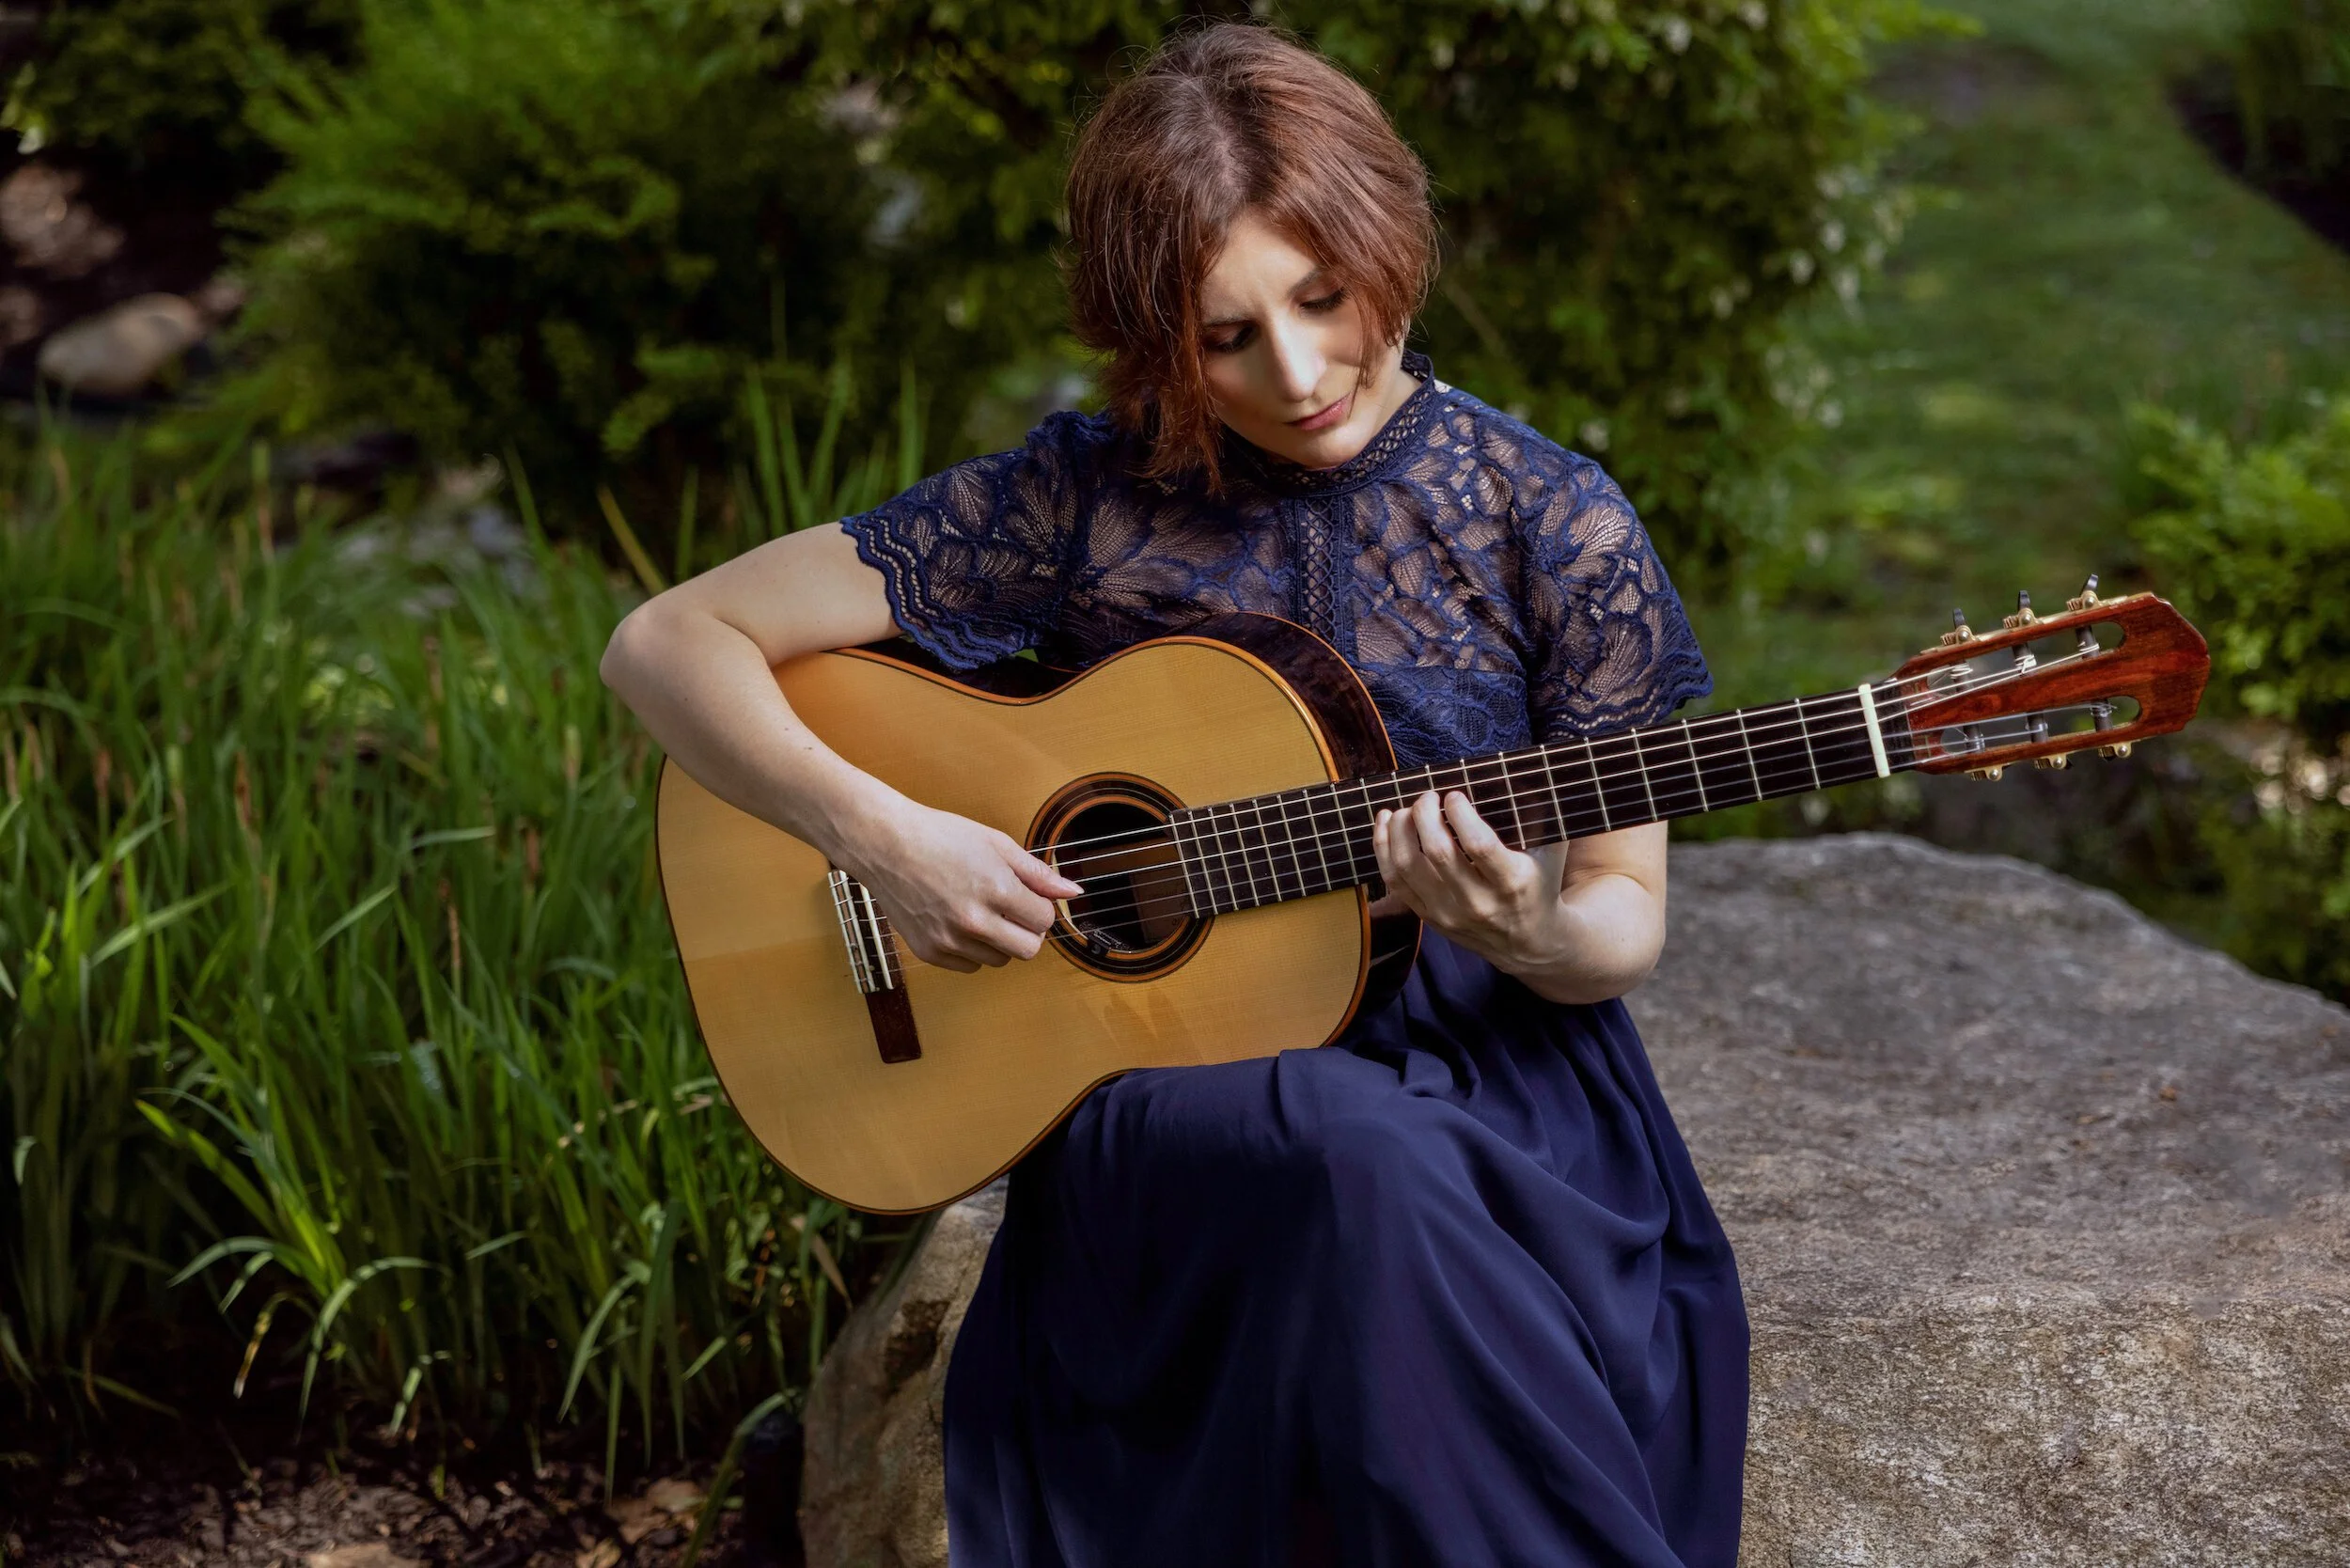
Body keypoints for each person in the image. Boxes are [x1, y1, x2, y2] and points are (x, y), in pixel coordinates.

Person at [601, 22, 1746, 1568]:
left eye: (1324, 300)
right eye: (1223, 338)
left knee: (1375, 1168)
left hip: (1490, 1085)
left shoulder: (1556, 524)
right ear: (1154, 340)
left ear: (1385, 241)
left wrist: (1529, 931)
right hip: (1170, 1083)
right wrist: (890, 838)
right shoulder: (1082, 499)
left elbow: (1621, 926)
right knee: (1344, 1157)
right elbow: (668, 642)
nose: (1297, 371)